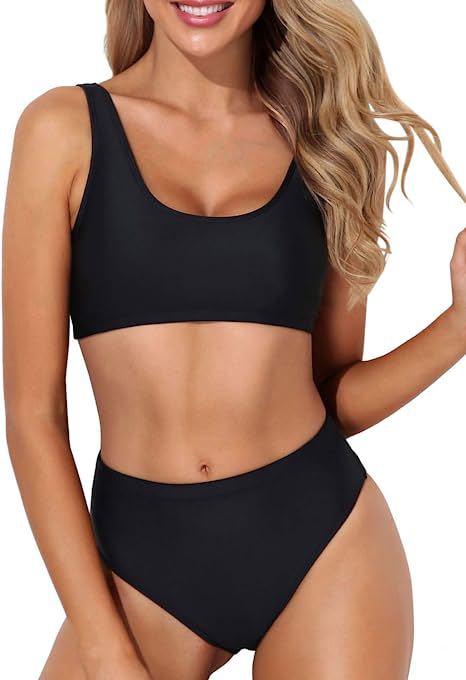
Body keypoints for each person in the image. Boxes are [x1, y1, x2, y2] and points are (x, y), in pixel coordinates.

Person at [2, 0, 465, 678]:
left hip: (323, 546)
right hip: (141, 560)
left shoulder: (328, 144)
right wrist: (102, 644)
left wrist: (458, 328)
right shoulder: (63, 130)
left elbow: (332, 397)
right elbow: (32, 416)